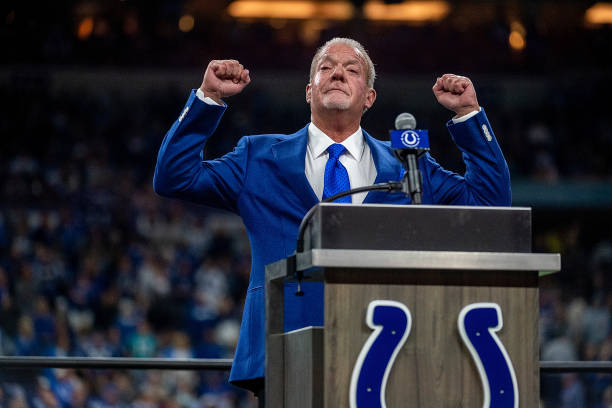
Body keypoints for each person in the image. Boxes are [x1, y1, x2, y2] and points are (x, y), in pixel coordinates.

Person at [153, 37, 511, 401]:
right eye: (326, 67)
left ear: (369, 97)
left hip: (383, 352)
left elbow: (489, 204)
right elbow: (174, 177)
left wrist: (468, 116)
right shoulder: (257, 156)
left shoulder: (410, 164)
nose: (338, 73)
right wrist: (208, 98)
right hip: (284, 349)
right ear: (310, 91)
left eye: (352, 70)